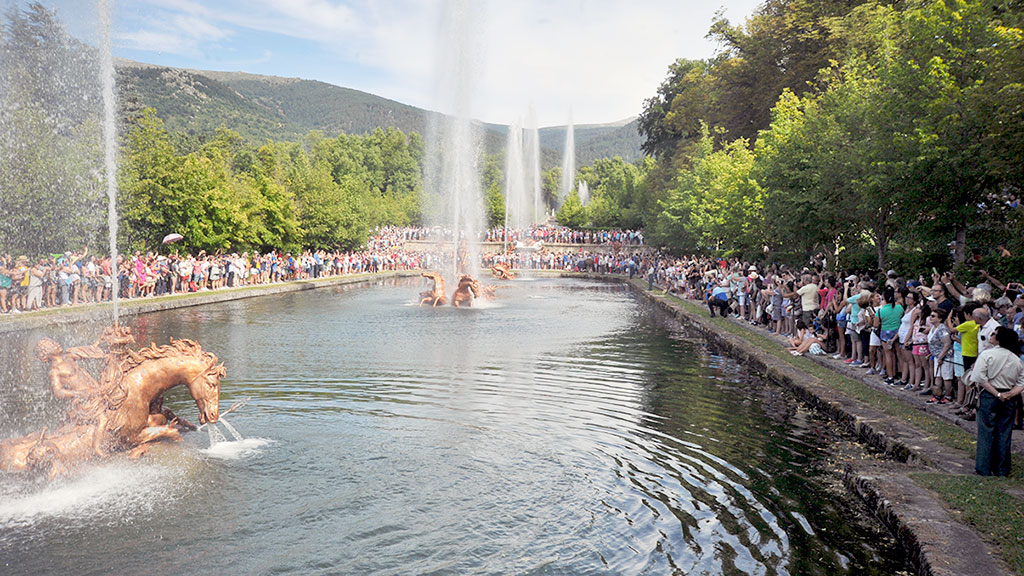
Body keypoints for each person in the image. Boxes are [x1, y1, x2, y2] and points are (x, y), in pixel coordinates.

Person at [971, 327, 1024, 476]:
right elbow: (1021, 382)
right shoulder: (1016, 359)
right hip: (1008, 397)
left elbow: (980, 378)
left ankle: (984, 467)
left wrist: (997, 393)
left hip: (990, 395)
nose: (991, 335)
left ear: (999, 339)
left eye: (994, 334)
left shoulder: (987, 354)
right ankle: (1002, 468)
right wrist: (1009, 394)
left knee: (986, 431)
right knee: (1004, 433)